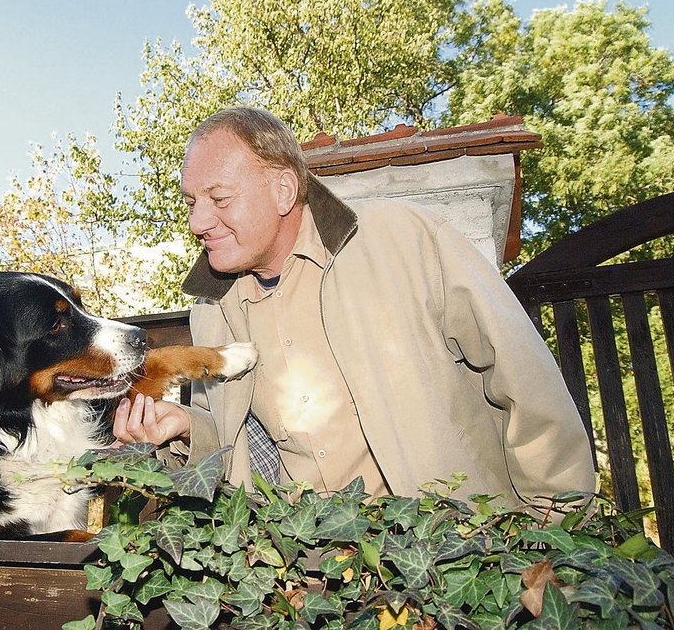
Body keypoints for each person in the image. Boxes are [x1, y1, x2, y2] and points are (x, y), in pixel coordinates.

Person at [113, 106, 595, 509]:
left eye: (218, 198)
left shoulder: (409, 240)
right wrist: (184, 429)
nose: (198, 221)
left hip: (448, 559)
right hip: (302, 582)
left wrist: (552, 526)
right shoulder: (212, 307)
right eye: (192, 201)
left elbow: (526, 382)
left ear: (283, 189)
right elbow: (232, 439)